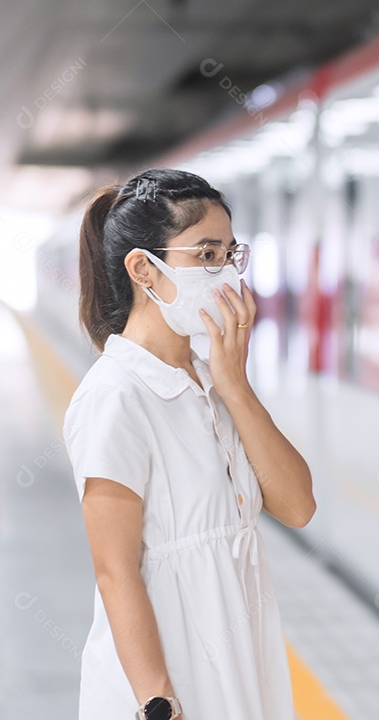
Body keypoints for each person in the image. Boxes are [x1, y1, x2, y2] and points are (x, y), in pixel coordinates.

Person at [63, 168, 316, 720]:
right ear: (142, 269)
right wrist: (159, 702)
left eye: (230, 253)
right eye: (205, 254)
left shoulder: (215, 378)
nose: (224, 271)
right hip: (169, 679)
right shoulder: (116, 396)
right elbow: (115, 568)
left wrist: (237, 387)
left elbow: (297, 507)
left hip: (240, 664)